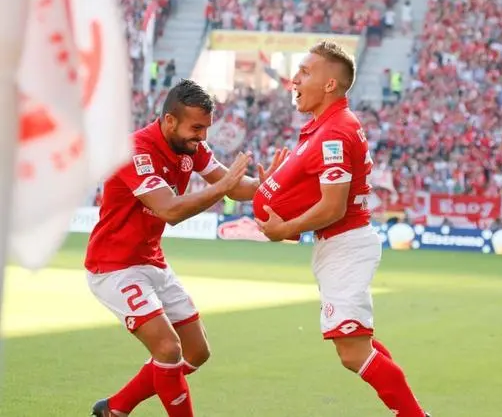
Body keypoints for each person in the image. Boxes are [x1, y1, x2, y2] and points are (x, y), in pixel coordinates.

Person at [87, 79, 287, 417]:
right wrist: (223, 186)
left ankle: (115, 408)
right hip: (114, 266)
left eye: (206, 128)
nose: (203, 136)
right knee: (168, 348)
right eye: (196, 128)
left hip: (152, 261)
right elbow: (169, 210)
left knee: (197, 351)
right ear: (169, 121)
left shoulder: (190, 148)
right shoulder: (135, 151)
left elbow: (235, 186)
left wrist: (265, 184)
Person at [254, 42, 430, 417]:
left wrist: (285, 227)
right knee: (358, 343)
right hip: (339, 245)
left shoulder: (334, 132)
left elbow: (333, 206)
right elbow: (317, 193)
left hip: (346, 245)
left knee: (352, 352)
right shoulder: (325, 127)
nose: (295, 79)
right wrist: (279, 193)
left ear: (330, 84)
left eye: (305, 71)